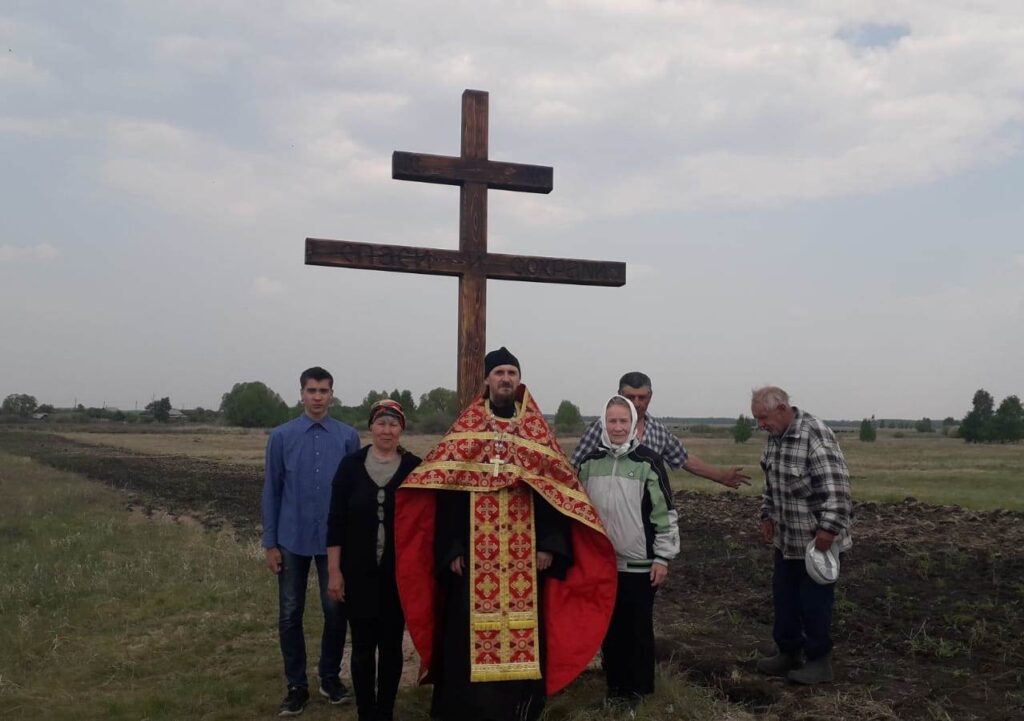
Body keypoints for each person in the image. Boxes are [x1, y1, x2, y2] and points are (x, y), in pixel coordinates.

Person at [394, 347, 618, 721]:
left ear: (519, 380)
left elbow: (554, 491)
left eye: (512, 373)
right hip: (475, 556)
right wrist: (451, 549)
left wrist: (549, 544)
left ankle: (519, 706)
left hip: (523, 557)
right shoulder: (467, 428)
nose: (505, 379)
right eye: (499, 372)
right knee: (465, 633)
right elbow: (448, 489)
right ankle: (466, 708)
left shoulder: (534, 431)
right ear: (486, 379)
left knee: (524, 630)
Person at [262, 366, 361, 716]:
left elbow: (354, 493)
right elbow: (272, 491)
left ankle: (330, 677)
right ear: (301, 393)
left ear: (332, 394)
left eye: (324, 391)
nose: (318, 397)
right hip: (291, 539)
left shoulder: (348, 437)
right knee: (290, 614)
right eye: (311, 390)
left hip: (333, 543)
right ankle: (296, 685)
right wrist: (270, 543)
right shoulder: (281, 437)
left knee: (336, 611)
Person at [576, 395, 679, 708]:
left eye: (623, 421)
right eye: (612, 421)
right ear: (603, 424)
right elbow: (576, 509)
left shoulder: (648, 462)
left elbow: (665, 514)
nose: (618, 427)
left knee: (636, 628)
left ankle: (637, 692)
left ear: (633, 423)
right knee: (609, 629)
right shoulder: (589, 462)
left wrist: (662, 557)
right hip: (602, 565)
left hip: (639, 564)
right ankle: (615, 688)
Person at [750, 386, 852, 685]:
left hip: (817, 544)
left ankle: (819, 662)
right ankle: (789, 652)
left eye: (763, 417)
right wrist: (767, 515)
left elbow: (838, 489)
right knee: (785, 600)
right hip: (787, 540)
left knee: (813, 604)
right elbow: (771, 483)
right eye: (756, 419)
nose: (760, 425)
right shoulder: (775, 439)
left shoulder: (815, 435)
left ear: (782, 408)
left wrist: (828, 530)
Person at [326, 399, 421, 721]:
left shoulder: (413, 468)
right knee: (363, 645)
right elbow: (336, 520)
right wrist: (334, 571)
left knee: (392, 645)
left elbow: (427, 520)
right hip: (358, 572)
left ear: (401, 429)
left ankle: (385, 711)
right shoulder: (350, 466)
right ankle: (366, 711)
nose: (387, 430)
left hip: (397, 575)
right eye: (381, 423)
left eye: (393, 424)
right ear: (371, 427)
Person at [570, 372, 751, 490]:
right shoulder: (600, 428)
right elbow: (574, 468)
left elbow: (684, 459)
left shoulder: (658, 431)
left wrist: (721, 476)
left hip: (646, 515)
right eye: (630, 397)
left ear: (650, 397)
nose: (636, 403)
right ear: (618, 395)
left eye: (642, 397)